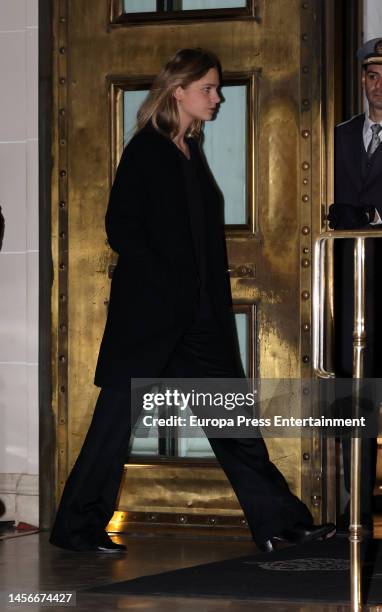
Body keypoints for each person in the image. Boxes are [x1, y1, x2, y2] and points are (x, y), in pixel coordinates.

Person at [50, 48, 335, 554]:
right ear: (176, 91)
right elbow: (121, 227)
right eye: (207, 88)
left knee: (233, 424)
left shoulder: (191, 150)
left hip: (198, 319)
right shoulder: (146, 150)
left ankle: (278, 524)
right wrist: (167, 279)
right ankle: (77, 529)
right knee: (112, 427)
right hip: (152, 318)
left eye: (217, 88)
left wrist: (199, 295)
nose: (217, 97)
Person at [328, 38, 382, 534]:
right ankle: (356, 506)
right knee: (354, 391)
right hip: (352, 285)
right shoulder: (339, 135)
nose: (378, 84)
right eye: (371, 74)